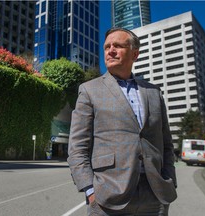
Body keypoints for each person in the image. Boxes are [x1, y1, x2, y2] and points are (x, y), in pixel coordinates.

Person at [67, 27, 177, 215]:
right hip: (108, 196)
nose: (110, 50)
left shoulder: (154, 92)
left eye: (117, 46)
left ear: (135, 54)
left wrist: (169, 179)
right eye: (107, 46)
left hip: (155, 195)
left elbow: (166, 143)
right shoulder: (89, 90)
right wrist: (89, 190)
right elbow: (77, 146)